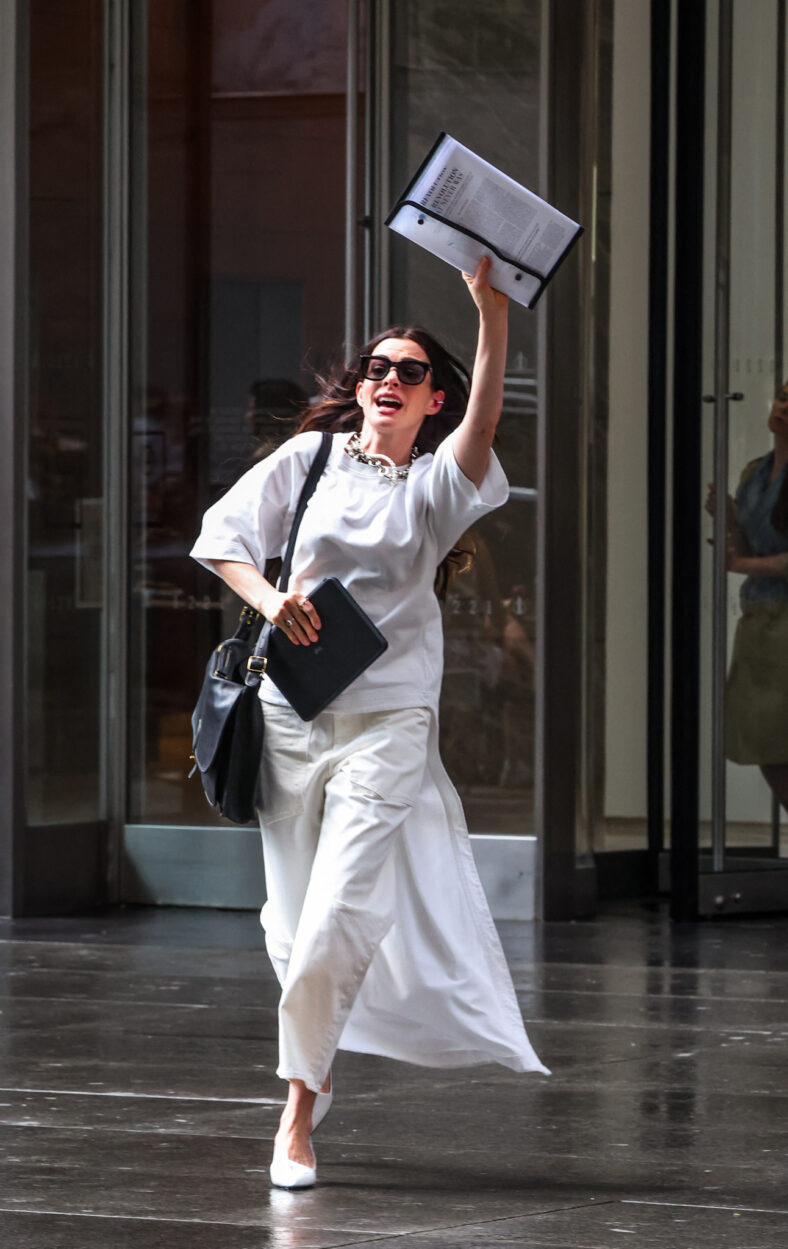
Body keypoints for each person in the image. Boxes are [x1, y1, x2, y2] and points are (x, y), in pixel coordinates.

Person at [190, 256, 549, 1190]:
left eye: (411, 373)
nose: (389, 380)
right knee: (287, 925)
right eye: (377, 368)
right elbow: (220, 538)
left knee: (340, 915)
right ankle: (319, 1059)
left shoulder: (434, 487)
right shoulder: (307, 461)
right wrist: (271, 601)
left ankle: (298, 1110)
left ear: (434, 400)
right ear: (358, 388)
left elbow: (484, 430)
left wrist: (489, 316)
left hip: (389, 721)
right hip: (292, 716)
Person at [707, 378, 788, 809]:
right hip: (758, 621)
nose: (784, 408)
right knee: (764, 745)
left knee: (778, 744)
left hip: (783, 624)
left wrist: (741, 565)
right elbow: (747, 547)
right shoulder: (755, 470)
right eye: (783, 397)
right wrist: (728, 520)